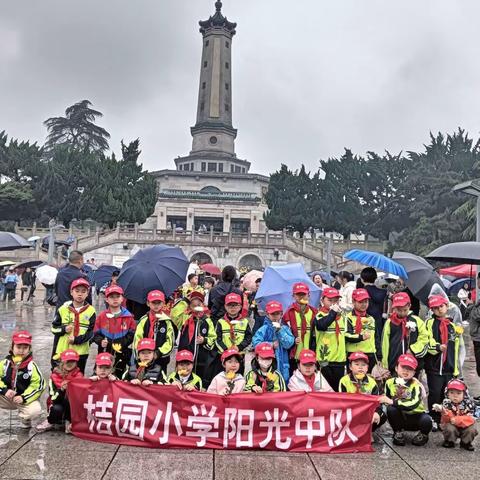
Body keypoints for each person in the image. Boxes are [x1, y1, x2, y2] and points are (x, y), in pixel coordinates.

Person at [424, 294, 461, 429]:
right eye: (435, 308)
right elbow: (427, 340)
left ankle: (444, 418)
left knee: (447, 395)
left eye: (441, 306)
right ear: (431, 310)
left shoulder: (451, 325)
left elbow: (455, 348)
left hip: (449, 367)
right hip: (434, 366)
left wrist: (455, 368)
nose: (439, 310)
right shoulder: (429, 323)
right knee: (434, 393)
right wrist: (438, 347)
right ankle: (433, 418)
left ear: (446, 306)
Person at [384, 353, 432, 446]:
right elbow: (386, 399)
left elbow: (413, 403)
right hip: (400, 416)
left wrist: (393, 401)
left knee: (427, 421)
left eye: (409, 369)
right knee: (391, 409)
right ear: (396, 368)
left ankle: (423, 435)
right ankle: (398, 432)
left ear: (414, 373)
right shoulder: (389, 383)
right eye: (403, 367)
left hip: (416, 416)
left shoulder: (416, 385)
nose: (406, 371)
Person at [0, 331, 45, 429]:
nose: (21, 350)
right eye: (18, 347)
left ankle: (25, 419)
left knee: (35, 411)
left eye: (25, 348)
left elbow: (39, 386)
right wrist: (4, 390)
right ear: (12, 347)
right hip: (6, 397)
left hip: (23, 400)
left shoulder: (32, 367)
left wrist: (24, 397)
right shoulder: (4, 364)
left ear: (29, 349)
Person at [51, 278, 96, 373]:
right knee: (62, 376)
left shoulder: (91, 311)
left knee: (78, 377)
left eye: (83, 291)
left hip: (81, 352)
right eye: (77, 291)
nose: (80, 294)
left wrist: (76, 340)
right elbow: (54, 328)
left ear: (87, 294)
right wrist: (63, 329)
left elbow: (91, 333)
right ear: (71, 292)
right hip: (63, 350)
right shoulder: (63, 309)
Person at [92, 285, 136, 378]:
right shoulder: (101, 316)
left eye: (117, 296)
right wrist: (100, 341)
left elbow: (131, 334)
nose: (115, 299)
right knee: (102, 375)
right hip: (104, 352)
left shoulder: (128, 317)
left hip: (121, 352)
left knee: (119, 374)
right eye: (112, 297)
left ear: (122, 299)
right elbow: (95, 333)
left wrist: (122, 343)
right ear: (106, 299)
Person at [381, 292, 429, 375]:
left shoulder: (417, 321)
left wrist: (413, 349)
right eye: (399, 310)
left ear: (409, 306)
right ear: (394, 308)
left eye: (405, 310)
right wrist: (385, 365)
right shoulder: (389, 322)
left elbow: (425, 338)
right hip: (395, 365)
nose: (402, 313)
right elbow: (385, 344)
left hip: (412, 365)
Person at [36, 349, 83, 433]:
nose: (69, 363)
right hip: (58, 402)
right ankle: (50, 421)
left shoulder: (79, 376)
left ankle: (69, 421)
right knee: (56, 409)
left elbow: (83, 394)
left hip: (73, 405)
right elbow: (53, 398)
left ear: (76, 363)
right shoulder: (54, 376)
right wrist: (61, 390)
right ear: (61, 362)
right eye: (67, 361)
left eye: (73, 361)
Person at [339, 352, 387, 431]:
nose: (360, 367)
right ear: (350, 367)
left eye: (363, 365)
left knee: (382, 415)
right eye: (357, 364)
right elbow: (342, 402)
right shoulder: (344, 381)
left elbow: (377, 402)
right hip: (350, 411)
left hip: (366, 412)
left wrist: (377, 413)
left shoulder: (372, 382)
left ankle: (367, 432)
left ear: (367, 368)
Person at [177, 291, 216, 387]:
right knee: (182, 379)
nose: (196, 306)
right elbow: (174, 313)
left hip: (200, 358)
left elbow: (213, 337)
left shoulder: (207, 320)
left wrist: (204, 340)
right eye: (193, 304)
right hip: (184, 355)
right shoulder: (184, 318)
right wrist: (185, 301)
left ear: (203, 305)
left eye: (198, 304)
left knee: (198, 381)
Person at [134, 290, 175, 377]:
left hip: (161, 360)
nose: (156, 305)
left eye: (159, 303)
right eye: (153, 302)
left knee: (159, 383)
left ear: (163, 303)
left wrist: (158, 353)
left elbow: (170, 342)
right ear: (148, 303)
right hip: (144, 358)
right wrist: (140, 355)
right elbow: (137, 339)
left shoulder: (167, 322)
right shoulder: (143, 320)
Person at [252, 300, 295, 382]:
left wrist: (280, 331)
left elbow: (289, 344)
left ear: (281, 314)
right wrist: (270, 345)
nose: (275, 316)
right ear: (267, 314)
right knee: (268, 384)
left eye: (277, 313)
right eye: (272, 314)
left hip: (283, 365)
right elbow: (256, 343)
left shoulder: (285, 329)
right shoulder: (263, 329)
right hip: (266, 364)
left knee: (282, 385)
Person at [432, 379, 478, 450]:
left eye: (458, 393)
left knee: (471, 429)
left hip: (465, 425)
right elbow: (445, 419)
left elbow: (472, 418)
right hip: (452, 424)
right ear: (447, 393)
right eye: (452, 392)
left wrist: (457, 420)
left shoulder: (469, 404)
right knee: (448, 427)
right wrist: (443, 410)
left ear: (464, 394)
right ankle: (449, 441)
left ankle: (466, 443)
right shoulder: (446, 403)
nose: (455, 396)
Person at [283, 282, 317, 374]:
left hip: (310, 355)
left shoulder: (314, 312)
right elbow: (284, 333)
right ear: (293, 296)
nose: (301, 297)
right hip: (294, 355)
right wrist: (292, 339)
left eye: (304, 294)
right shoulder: (288, 313)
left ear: (308, 295)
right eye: (298, 294)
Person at [215, 293, 252, 374]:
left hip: (239, 356)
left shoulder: (244, 322)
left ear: (240, 306)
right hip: (224, 356)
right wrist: (225, 350)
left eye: (235, 305)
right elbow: (217, 339)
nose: (232, 308)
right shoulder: (221, 322)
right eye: (230, 305)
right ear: (225, 306)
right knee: (224, 378)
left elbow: (248, 337)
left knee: (238, 378)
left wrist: (239, 347)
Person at [344, 288, 376, 372]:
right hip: (353, 354)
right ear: (353, 302)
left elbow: (377, 338)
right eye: (360, 302)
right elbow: (346, 336)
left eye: (366, 302)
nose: (364, 304)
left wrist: (379, 356)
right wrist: (361, 337)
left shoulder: (371, 319)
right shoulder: (348, 317)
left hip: (370, 354)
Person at [358, 267, 387, 357]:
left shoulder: (362, 292)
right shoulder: (384, 292)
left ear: (362, 279)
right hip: (380, 323)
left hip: (365, 323)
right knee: (378, 346)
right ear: (375, 278)